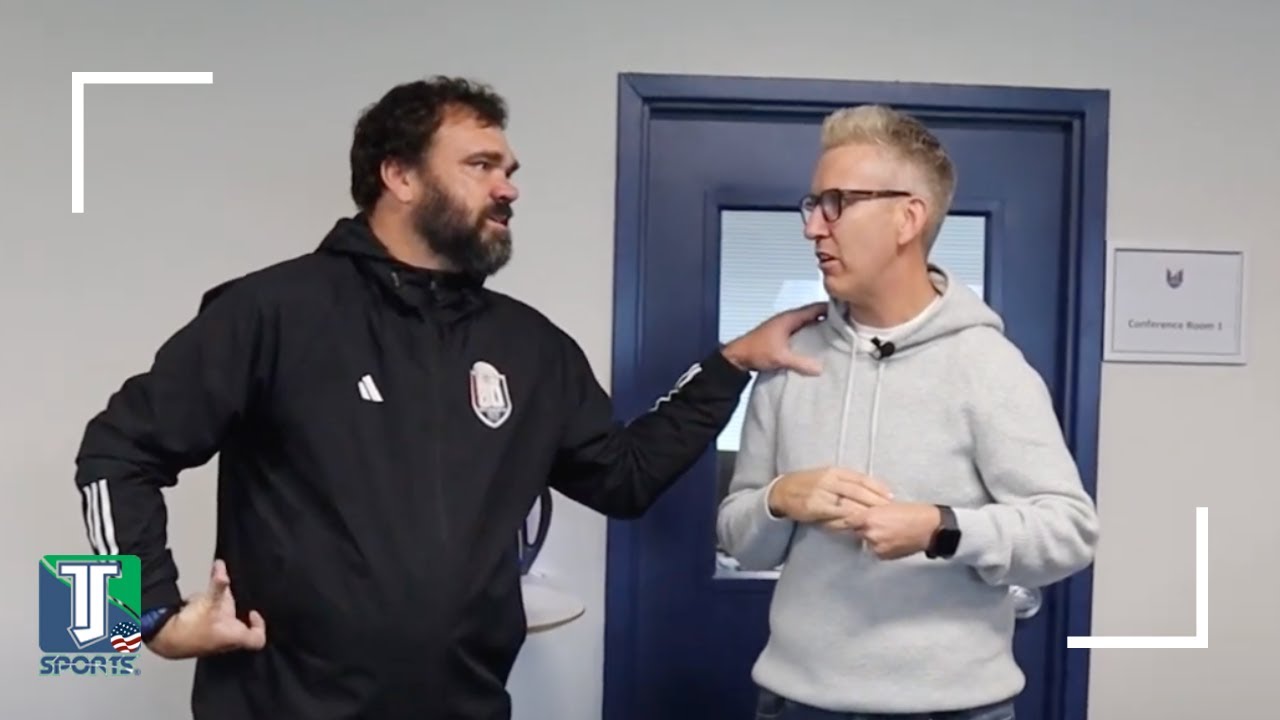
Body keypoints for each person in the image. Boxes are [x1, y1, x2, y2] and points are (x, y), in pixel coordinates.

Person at [72, 76, 824, 720]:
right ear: (399, 176)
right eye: (481, 164)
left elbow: (622, 479)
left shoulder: (529, 345)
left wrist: (729, 365)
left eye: (510, 167)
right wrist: (141, 623)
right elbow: (113, 451)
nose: (509, 186)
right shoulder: (272, 311)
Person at [715, 104, 1100, 720]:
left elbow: (1069, 531)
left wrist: (943, 527)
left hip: (953, 709)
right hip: (799, 705)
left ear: (907, 217)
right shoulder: (791, 363)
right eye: (811, 205)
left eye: (836, 202)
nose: (814, 227)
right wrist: (780, 498)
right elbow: (742, 539)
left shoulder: (987, 365)